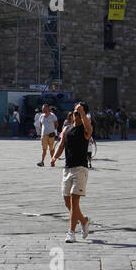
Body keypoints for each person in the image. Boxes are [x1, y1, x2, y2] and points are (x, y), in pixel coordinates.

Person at [51, 103, 93, 243]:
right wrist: (54, 157)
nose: (75, 114)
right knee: (67, 202)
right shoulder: (67, 128)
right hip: (67, 168)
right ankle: (84, 220)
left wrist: (82, 113)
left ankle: (71, 232)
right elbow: (61, 144)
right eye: (75, 112)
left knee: (75, 201)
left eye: (78, 112)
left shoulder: (85, 129)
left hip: (80, 168)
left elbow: (90, 129)